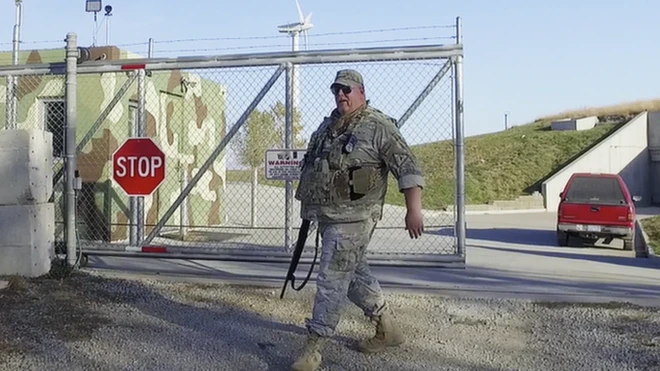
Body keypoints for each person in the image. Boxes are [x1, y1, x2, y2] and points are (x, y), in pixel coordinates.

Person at [290, 69, 425, 371]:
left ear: (361, 91)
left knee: (332, 277)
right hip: (327, 216)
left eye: (347, 89)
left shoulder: (378, 126)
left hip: (356, 217)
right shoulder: (329, 126)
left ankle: (314, 349)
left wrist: (413, 209)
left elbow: (407, 166)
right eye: (337, 89)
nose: (341, 95)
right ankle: (386, 327)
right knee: (352, 275)